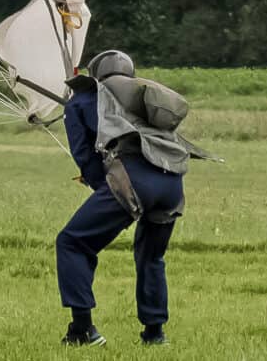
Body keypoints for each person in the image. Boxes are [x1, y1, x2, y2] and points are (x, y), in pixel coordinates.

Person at [52, 50, 201, 347]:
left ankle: (82, 330)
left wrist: (103, 187)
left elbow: (84, 156)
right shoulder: (142, 100)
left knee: (72, 242)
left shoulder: (82, 99)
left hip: (134, 180)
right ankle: (155, 334)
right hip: (172, 182)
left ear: (96, 73)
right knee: (151, 256)